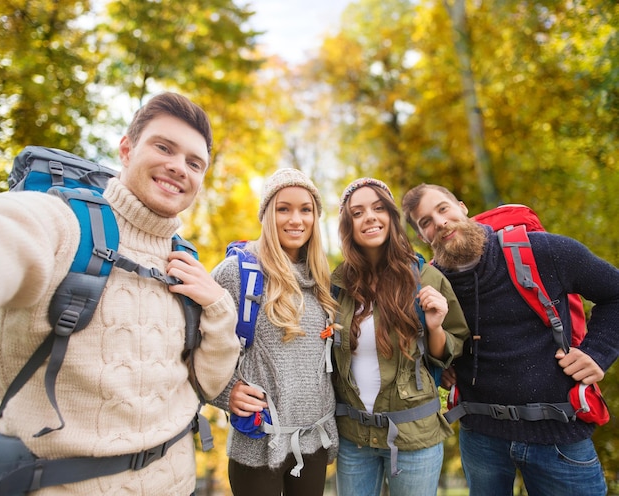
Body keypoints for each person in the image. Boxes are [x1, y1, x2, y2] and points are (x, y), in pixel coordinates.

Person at [0, 92, 241, 495]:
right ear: (126, 149)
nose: (179, 167)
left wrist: (217, 305)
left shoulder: (186, 259)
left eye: (194, 163)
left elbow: (209, 385)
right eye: (164, 147)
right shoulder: (61, 222)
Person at [402, 183, 619, 496]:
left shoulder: (542, 252)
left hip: (558, 435)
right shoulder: (431, 285)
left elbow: (614, 292)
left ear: (462, 208)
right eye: (425, 222)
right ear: (422, 237)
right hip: (480, 438)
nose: (439, 222)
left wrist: (598, 353)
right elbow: (422, 344)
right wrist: (442, 365)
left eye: (443, 209)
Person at [332, 178, 469, 496]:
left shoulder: (427, 277)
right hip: (354, 438)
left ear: (392, 218)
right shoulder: (336, 286)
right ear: (347, 225)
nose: (370, 217)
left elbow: (451, 350)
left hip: (414, 438)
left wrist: (435, 327)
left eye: (379, 208)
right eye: (357, 212)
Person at [210, 168, 339, 496]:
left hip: (312, 443)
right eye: (284, 208)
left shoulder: (324, 282)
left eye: (305, 209)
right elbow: (193, 347)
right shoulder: (237, 274)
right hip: (258, 443)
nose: (296, 219)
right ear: (267, 215)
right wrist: (224, 393)